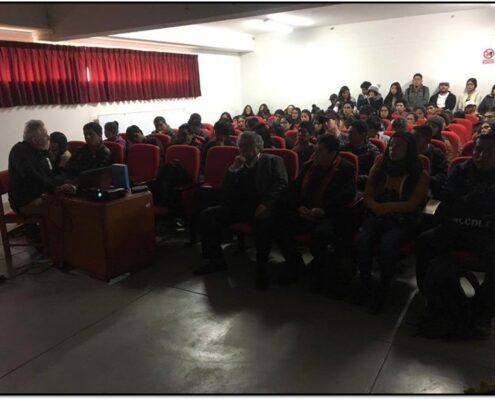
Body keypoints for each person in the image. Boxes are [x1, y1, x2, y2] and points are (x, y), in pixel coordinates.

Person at [415, 134, 495, 339]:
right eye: (478, 150)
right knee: (425, 241)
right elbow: (447, 201)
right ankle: (427, 294)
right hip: (456, 229)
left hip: (487, 235)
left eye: (489, 151)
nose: (481, 155)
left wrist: (469, 204)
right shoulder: (460, 170)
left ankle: (482, 312)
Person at [196, 131, 288, 290]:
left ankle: (262, 270)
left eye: (247, 146)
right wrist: (233, 169)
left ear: (258, 147)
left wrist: (266, 204)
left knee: (264, 222)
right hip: (238, 207)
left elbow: (281, 185)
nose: (243, 150)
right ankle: (216, 260)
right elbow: (225, 189)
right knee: (208, 215)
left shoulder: (272, 160)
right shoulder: (238, 164)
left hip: (261, 207)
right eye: (240, 146)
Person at [352, 131, 430, 313]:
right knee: (362, 240)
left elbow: (412, 204)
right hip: (377, 214)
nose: (393, 149)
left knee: (389, 243)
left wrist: (385, 208)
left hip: (402, 219)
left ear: (409, 149)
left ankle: (383, 288)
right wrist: (375, 207)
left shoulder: (420, 173)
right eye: (391, 145)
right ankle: (364, 283)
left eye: (399, 146)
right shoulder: (380, 166)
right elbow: (368, 194)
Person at [275, 134, 356, 296]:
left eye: (320, 151)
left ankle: (320, 271)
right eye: (315, 150)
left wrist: (323, 210)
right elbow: (294, 189)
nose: (315, 154)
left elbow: (346, 196)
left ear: (332, 153)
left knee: (321, 235)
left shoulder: (346, 169)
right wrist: (299, 207)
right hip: (305, 211)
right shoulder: (309, 165)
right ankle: (296, 267)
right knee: (279, 226)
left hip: (329, 214)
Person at [8, 120, 76, 215]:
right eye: (45, 135)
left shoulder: (41, 151)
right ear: (35, 140)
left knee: (74, 196)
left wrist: (68, 182)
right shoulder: (19, 152)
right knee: (69, 206)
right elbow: (33, 178)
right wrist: (55, 188)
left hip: (41, 194)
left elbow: (51, 174)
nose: (48, 138)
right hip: (26, 202)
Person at [342, 119, 380, 190]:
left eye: (352, 133)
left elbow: (375, 175)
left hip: (361, 186)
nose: (349, 136)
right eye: (349, 133)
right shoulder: (344, 148)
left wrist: (357, 178)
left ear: (363, 134)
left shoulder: (372, 151)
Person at [412, 125, 448, 199]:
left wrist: (427, 180)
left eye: (416, 138)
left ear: (427, 139)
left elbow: (442, 176)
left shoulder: (436, 154)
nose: (412, 141)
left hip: (429, 189)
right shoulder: (408, 151)